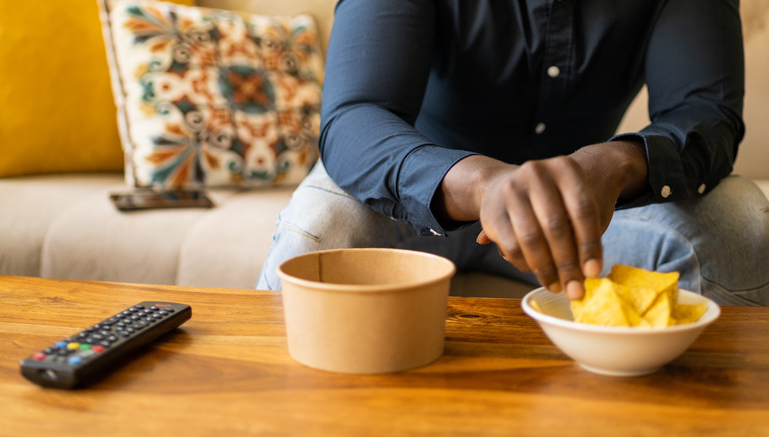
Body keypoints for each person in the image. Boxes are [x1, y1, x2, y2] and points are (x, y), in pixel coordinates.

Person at [256, 0, 769, 306]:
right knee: (319, 224)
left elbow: (704, 113)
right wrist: (481, 183)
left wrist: (614, 165)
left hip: (590, 215)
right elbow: (355, 117)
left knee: (738, 220)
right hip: (419, 203)